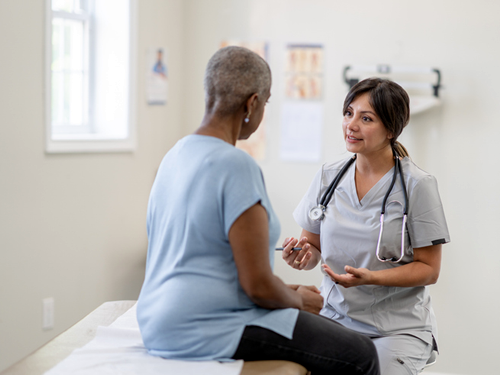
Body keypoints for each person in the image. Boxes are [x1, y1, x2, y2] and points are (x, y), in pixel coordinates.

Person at [136, 46, 380, 375]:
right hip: (207, 327)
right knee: (361, 353)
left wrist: (287, 290)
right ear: (252, 104)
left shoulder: (175, 155)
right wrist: (300, 301)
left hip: (157, 321)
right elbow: (258, 286)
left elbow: (208, 263)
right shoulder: (235, 164)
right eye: (264, 103)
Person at [282, 77, 450, 375]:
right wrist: (302, 256)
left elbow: (429, 269)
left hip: (395, 329)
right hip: (334, 319)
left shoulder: (418, 185)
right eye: (348, 113)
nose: (351, 125)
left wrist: (371, 277)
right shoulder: (327, 177)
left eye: (366, 118)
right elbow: (313, 248)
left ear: (391, 129)